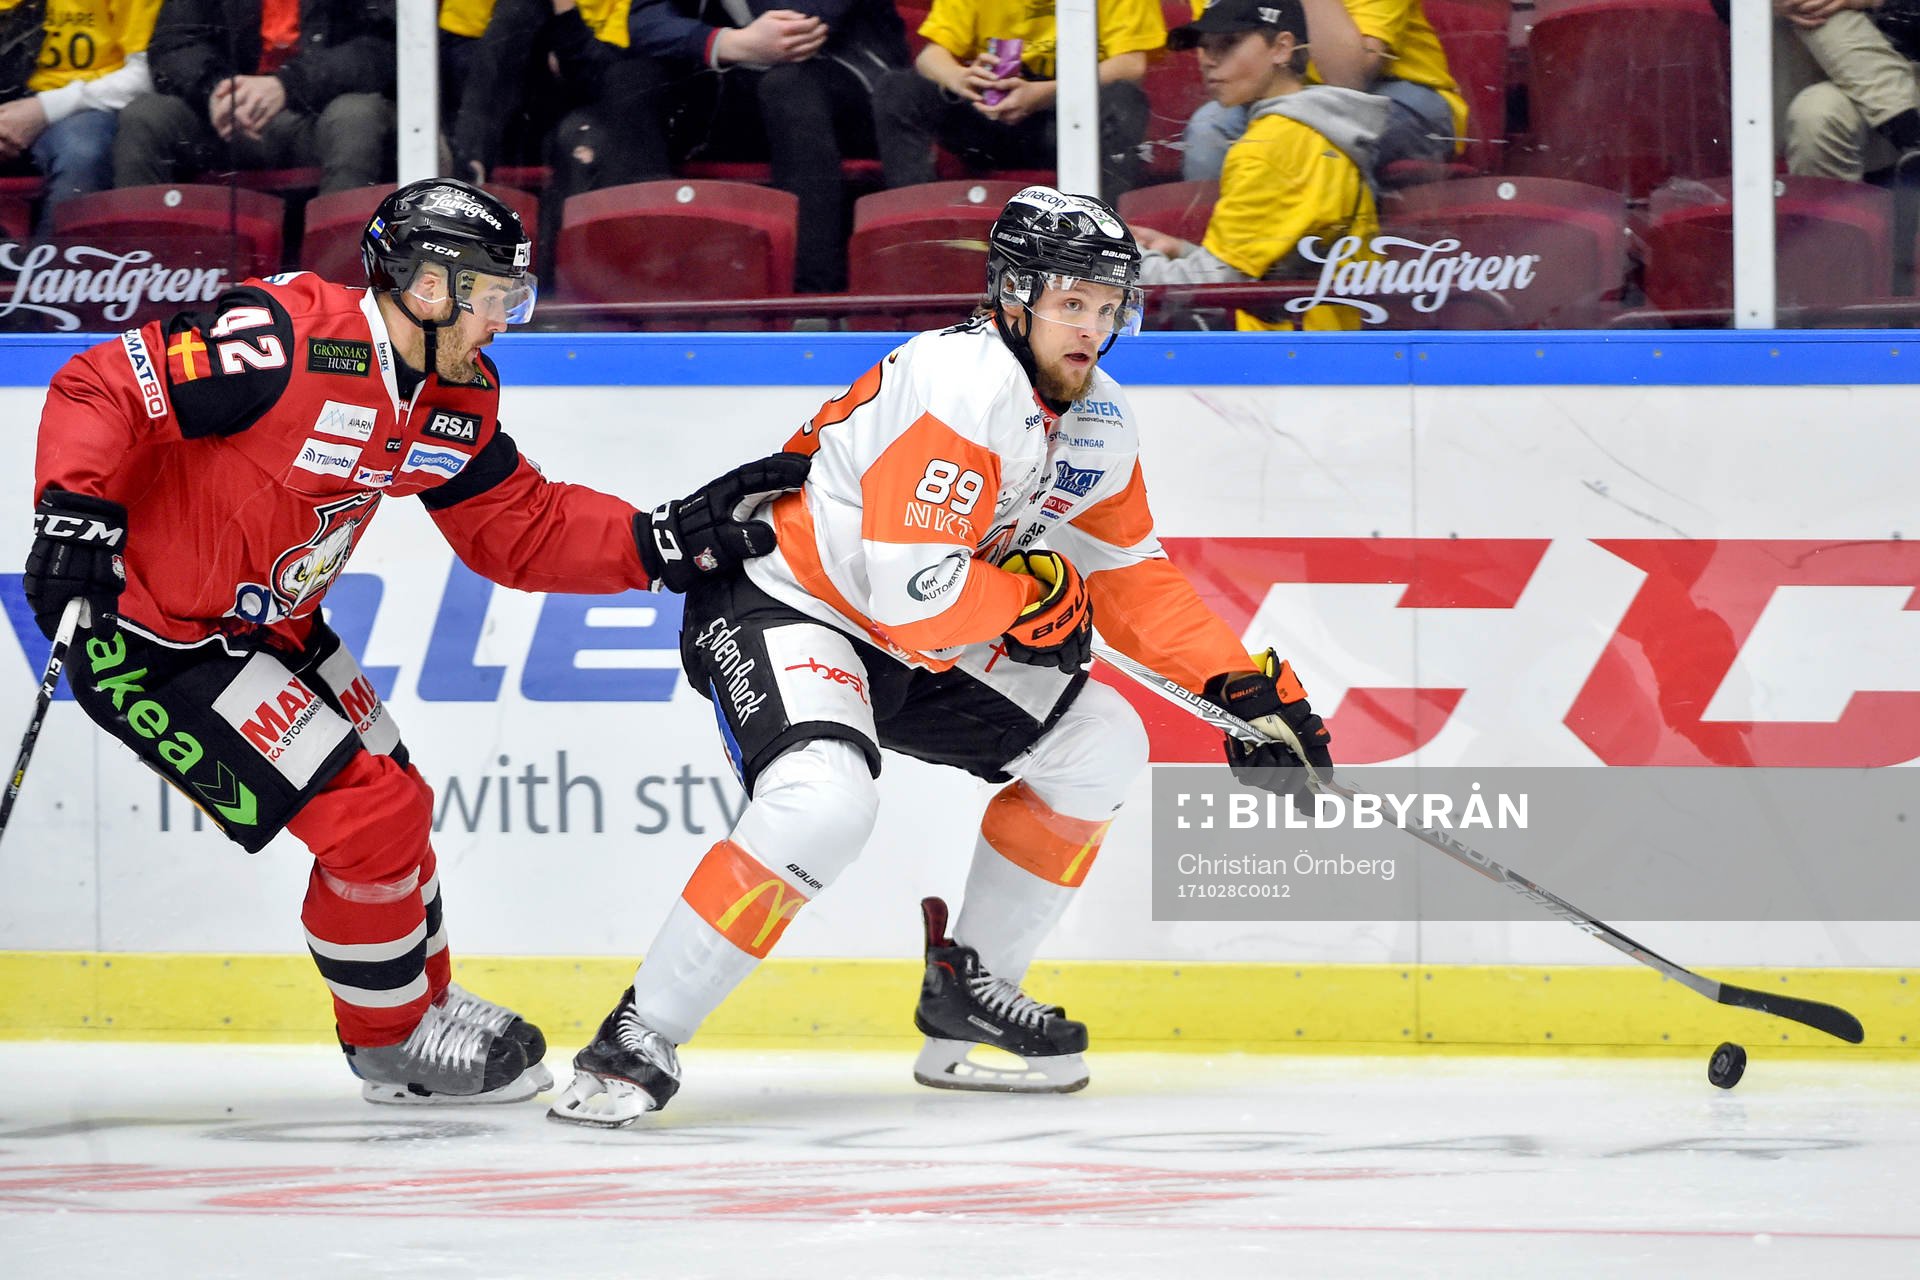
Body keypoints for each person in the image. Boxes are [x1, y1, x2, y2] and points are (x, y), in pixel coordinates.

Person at [547, 185, 1334, 1128]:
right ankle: (636, 1038)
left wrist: (1236, 689)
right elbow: (916, 601)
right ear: (1012, 297)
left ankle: (972, 991)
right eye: (1070, 303)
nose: (1092, 326)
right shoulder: (961, 388)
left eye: (1108, 304)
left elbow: (1125, 570)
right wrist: (1027, 602)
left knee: (1104, 740)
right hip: (790, 602)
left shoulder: (1099, 415)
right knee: (823, 804)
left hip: (910, 624)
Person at [25, 178, 807, 1105]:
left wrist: (656, 539)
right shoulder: (282, 339)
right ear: (429, 287)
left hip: (275, 627)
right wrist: (76, 516)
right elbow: (105, 382)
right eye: (492, 297)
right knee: (370, 819)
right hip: (150, 635)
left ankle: (419, 1007)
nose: (503, 321)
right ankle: (392, 1046)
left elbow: (518, 527)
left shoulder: (454, 397)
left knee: (398, 790)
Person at [620, 0, 910, 292]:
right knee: (632, 79)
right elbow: (638, 20)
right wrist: (723, 42)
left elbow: (800, 22)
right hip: (733, 86)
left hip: (849, 88)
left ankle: (812, 302)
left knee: (787, 87)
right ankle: (642, 290)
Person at [1135, 0, 1386, 332]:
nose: (1208, 60)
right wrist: (1182, 251)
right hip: (1322, 349)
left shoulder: (1273, 146)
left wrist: (1123, 260)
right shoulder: (1308, 131)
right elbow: (1273, 265)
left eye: (1228, 43)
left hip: (1295, 360)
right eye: (1205, 47)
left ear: (1282, 48)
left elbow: (1212, 285)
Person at [872, 0, 1164, 199]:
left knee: (1124, 101)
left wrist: (1045, 94)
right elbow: (930, 57)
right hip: (990, 115)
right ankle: (917, 230)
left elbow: (1132, 65)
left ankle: (1099, 246)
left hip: (1070, 123)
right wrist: (961, 78)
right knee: (897, 89)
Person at [111, 0, 396, 194]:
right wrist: (217, 90)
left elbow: (386, 47)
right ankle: (147, 270)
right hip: (227, 120)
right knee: (146, 117)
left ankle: (341, 276)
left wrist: (287, 85)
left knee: (356, 117)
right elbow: (173, 42)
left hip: (317, 115)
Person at [1182, 0, 1463, 184]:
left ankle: (1339, 263)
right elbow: (1226, 65)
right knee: (1210, 127)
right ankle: (1216, 261)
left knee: (1322, 131)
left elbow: (1347, 79)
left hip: (1402, 93)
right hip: (1282, 92)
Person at [1709, 0, 1920, 180]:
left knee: (1816, 116)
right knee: (1814, 117)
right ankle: (1907, 129)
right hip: (1808, 82)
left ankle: (1905, 126)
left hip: (1910, 74)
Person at [0, 0, 160, 234]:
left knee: (82, 152)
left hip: (84, 107)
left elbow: (147, 73)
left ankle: (56, 267)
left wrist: (46, 108)